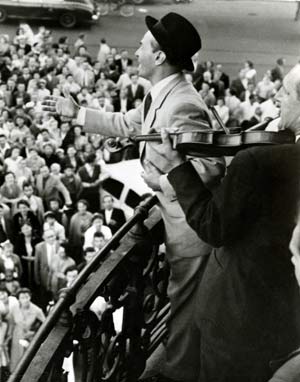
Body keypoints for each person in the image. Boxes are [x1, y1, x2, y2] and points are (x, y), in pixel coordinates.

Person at [42, 12, 225, 382]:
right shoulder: (166, 92)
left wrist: (160, 180)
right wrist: (77, 114)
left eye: (142, 46)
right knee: (182, 310)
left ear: (159, 57)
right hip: (183, 226)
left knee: (185, 316)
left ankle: (176, 375)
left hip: (191, 231)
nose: (135, 50)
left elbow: (212, 169)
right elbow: (131, 124)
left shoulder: (181, 105)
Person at [141, 64, 300, 381]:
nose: (276, 96)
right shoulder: (277, 153)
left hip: (240, 311)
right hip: (284, 311)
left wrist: (177, 168)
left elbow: (214, 228)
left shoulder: (257, 161)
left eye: (284, 91)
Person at [9, 288, 45, 372]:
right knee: (16, 358)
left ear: (30, 297)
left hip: (30, 337)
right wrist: (8, 337)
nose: (25, 300)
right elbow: (11, 323)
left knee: (28, 359)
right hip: (17, 335)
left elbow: (46, 323)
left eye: (27, 297)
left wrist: (35, 332)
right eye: (22, 297)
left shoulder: (37, 310)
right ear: (18, 299)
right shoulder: (14, 308)